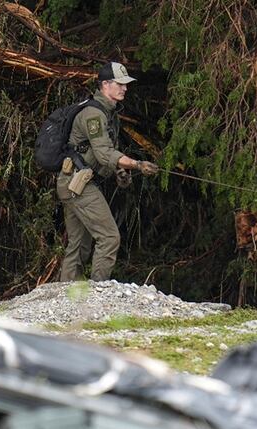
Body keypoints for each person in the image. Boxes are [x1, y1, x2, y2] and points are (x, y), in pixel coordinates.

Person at [57, 61, 159, 282]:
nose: (124, 88)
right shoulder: (94, 115)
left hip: (72, 182)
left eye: (126, 84)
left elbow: (96, 153)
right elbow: (104, 154)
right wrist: (137, 164)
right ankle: (99, 293)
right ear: (105, 85)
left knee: (79, 245)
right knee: (109, 237)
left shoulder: (106, 112)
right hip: (78, 185)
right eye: (120, 84)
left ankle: (65, 299)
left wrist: (118, 171)